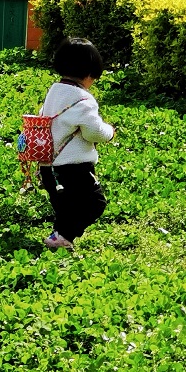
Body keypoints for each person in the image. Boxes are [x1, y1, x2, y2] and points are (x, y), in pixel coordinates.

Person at [37, 37, 116, 250]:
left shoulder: (54, 91)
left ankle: (59, 235)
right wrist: (110, 132)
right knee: (94, 204)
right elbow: (93, 132)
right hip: (73, 168)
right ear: (90, 73)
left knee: (66, 207)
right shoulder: (83, 100)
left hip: (47, 166)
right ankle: (63, 236)